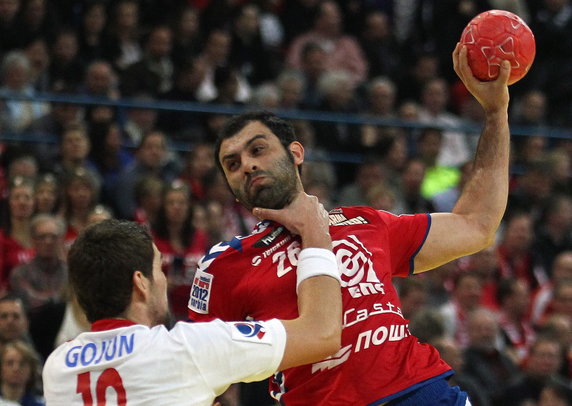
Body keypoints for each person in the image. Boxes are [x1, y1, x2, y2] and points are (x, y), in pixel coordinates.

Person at [188, 43, 512, 405]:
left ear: (296, 153)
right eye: (232, 164)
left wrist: (496, 112)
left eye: (258, 150)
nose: (246, 165)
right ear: (232, 189)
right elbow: (197, 376)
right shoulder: (226, 264)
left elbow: (477, 224)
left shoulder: (364, 222)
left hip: (423, 393)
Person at [42, 194, 343, 405]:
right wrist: (316, 233)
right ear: (140, 284)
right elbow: (322, 333)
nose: (164, 280)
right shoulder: (187, 348)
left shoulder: (58, 367)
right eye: (158, 269)